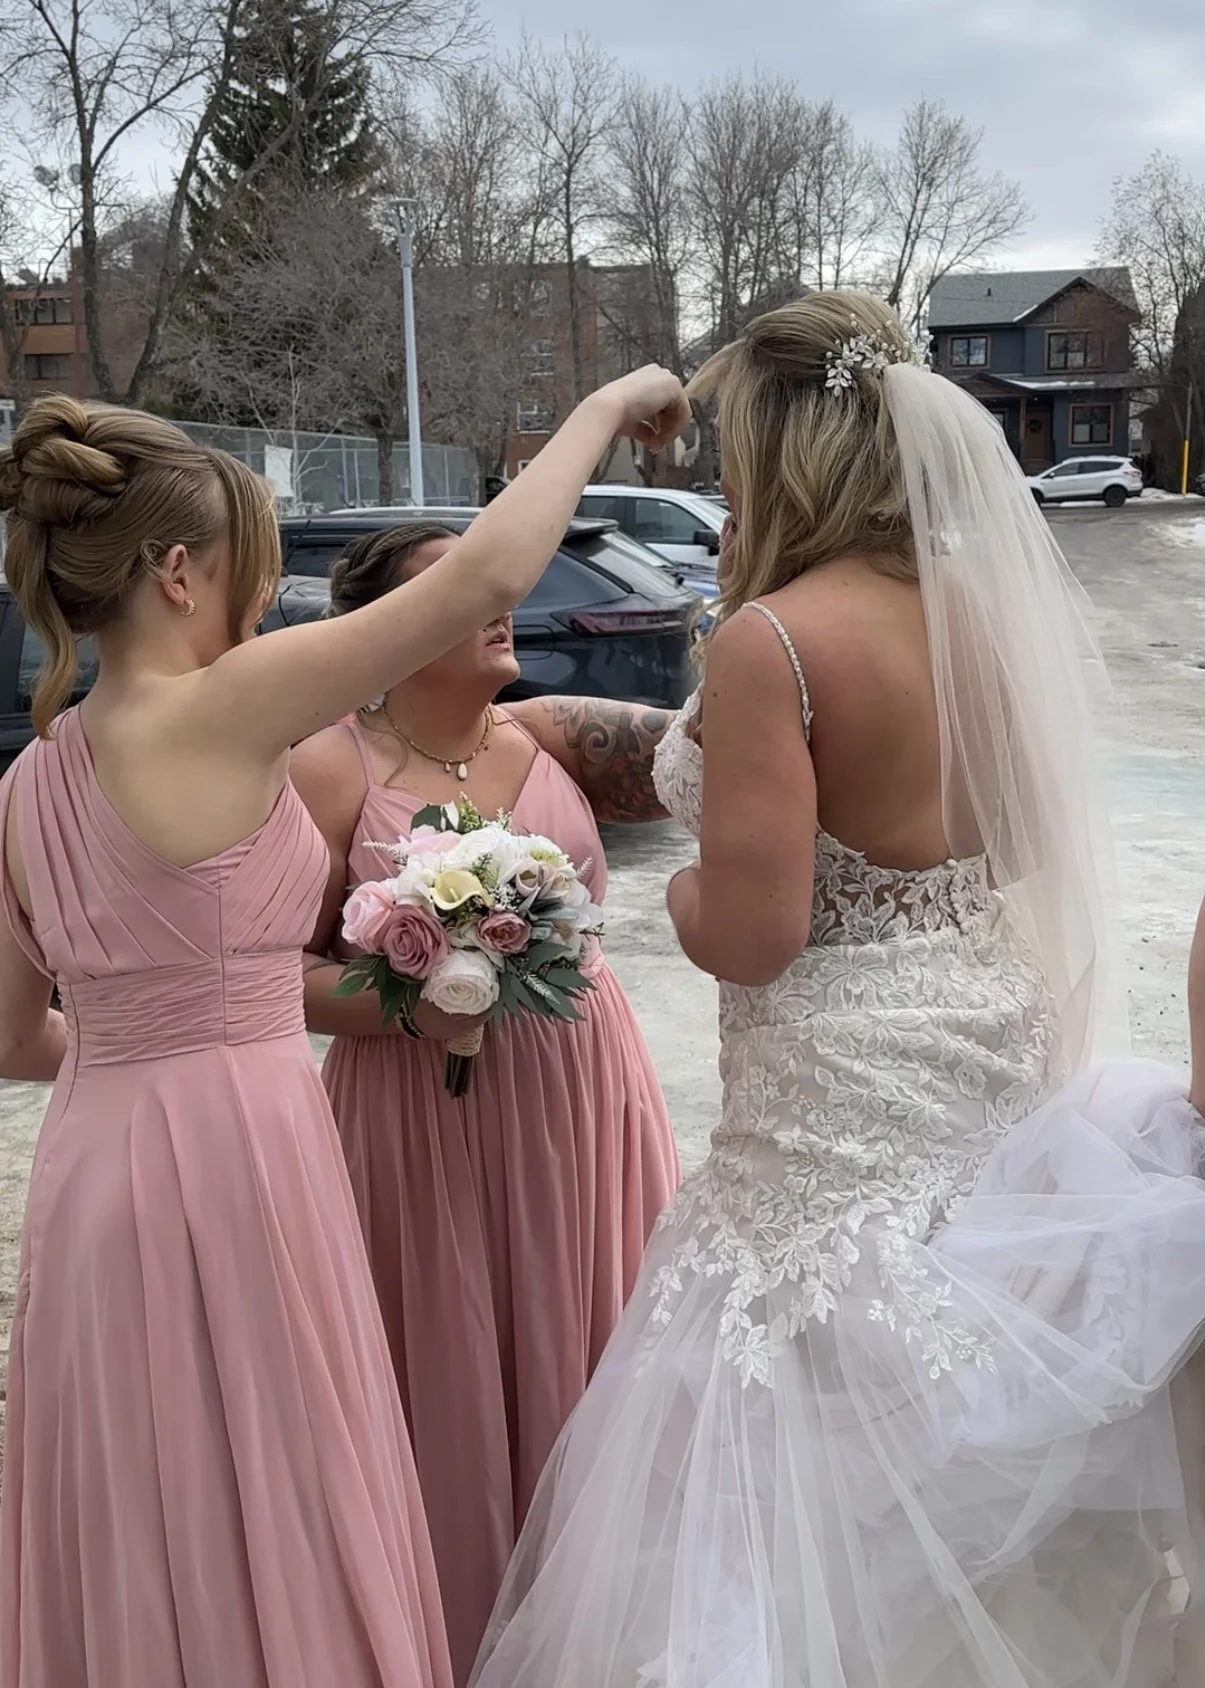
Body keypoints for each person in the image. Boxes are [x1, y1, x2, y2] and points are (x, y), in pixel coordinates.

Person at [469, 294, 1205, 1688]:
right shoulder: (984, 618)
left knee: (777, 1422)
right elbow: (1033, 842)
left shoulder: (775, 643)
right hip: (981, 1046)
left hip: (825, 1101)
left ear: (785, 458)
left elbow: (751, 934)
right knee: (937, 1431)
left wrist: (666, 889)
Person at [0, 368, 688, 1688]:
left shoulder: (26, 787)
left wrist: (148, 1060)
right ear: (178, 573)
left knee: (140, 1503)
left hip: (92, 1173)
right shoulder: (226, 706)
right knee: (284, 1480)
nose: (267, 606)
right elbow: (483, 570)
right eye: (253, 574)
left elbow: (16, 1042)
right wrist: (604, 410)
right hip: (245, 1160)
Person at [292, 520, 681, 1685]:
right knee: (446, 1371)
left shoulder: (549, 731)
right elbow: (265, 971)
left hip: (582, 1102)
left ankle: (597, 1634)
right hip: (419, 1120)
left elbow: (735, 762)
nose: (500, 602)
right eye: (460, 589)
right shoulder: (327, 766)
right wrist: (408, 998)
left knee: (595, 1353)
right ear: (390, 626)